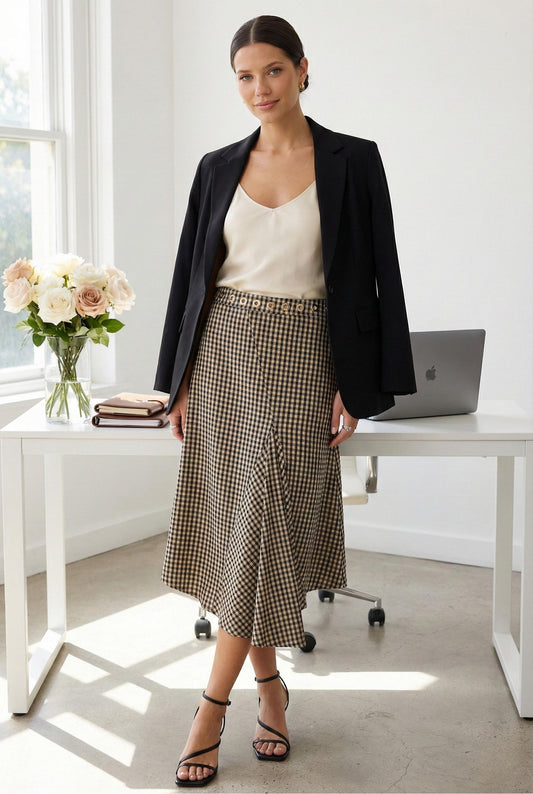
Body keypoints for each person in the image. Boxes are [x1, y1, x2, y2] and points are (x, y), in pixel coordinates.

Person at [154, 15, 416, 787]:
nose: (257, 89)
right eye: (242, 76)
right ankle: (269, 691)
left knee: (261, 516)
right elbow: (189, 280)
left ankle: (210, 707)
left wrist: (359, 377)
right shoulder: (215, 167)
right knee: (247, 524)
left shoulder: (352, 160)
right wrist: (181, 379)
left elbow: (379, 274)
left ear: (304, 69)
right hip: (225, 353)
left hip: (307, 351)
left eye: (271, 71)